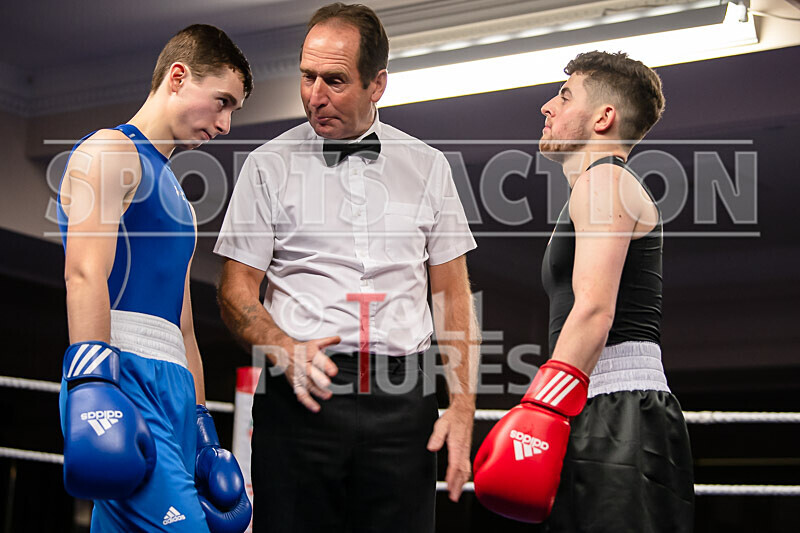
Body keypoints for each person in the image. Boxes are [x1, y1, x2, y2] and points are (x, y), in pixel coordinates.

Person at [214, 3, 479, 532]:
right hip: (298, 388)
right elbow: (234, 289)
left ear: (377, 84)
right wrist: (280, 346)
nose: (316, 95)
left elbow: (452, 294)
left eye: (334, 80)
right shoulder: (267, 164)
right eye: (307, 77)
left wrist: (463, 405)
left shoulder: (428, 165)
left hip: (406, 396)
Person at [473, 51, 694, 532]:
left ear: (604, 117)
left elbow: (594, 310)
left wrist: (538, 407)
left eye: (565, 95)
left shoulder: (605, 181)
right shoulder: (596, 187)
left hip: (617, 410)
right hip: (598, 403)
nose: (546, 106)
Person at [57, 24, 254, 532]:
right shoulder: (109, 152)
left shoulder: (181, 202)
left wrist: (203, 427)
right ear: (178, 77)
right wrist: (93, 385)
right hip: (122, 375)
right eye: (222, 101)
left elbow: (183, 326)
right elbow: (83, 274)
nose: (227, 124)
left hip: (173, 388)